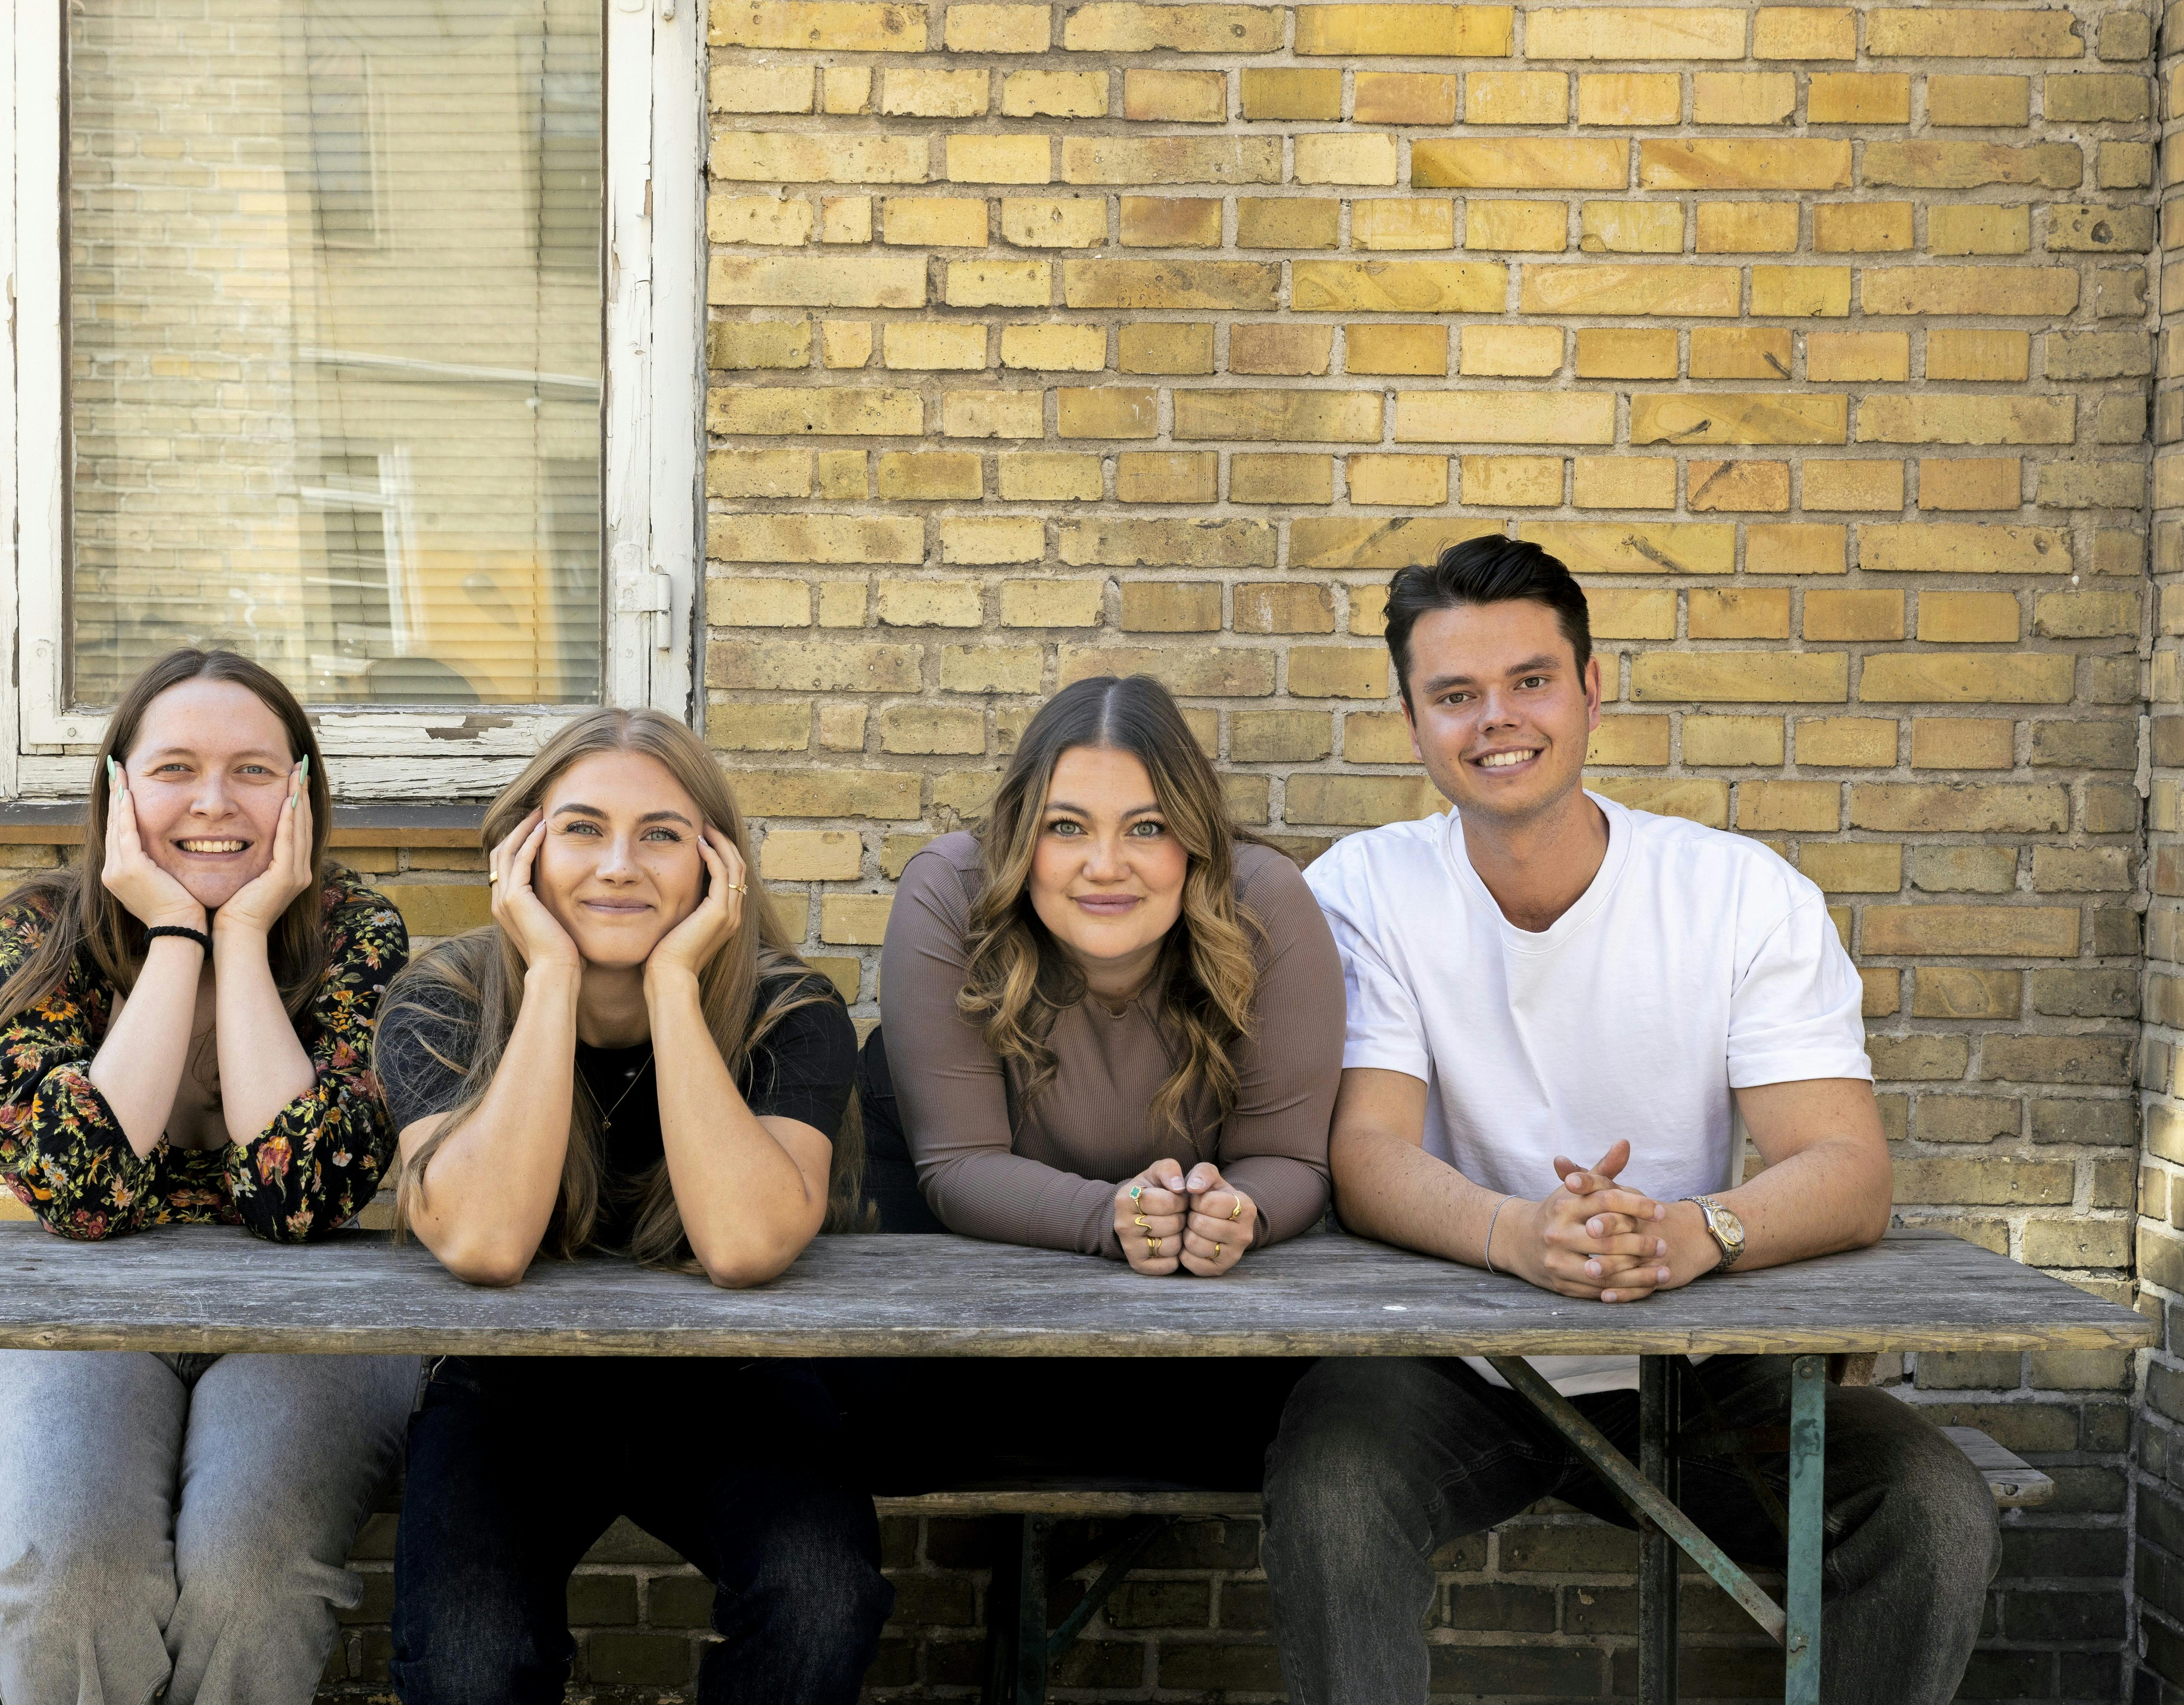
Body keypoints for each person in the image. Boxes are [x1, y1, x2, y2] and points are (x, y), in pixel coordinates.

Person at [1271, 535, 1997, 1702]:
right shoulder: (1361, 890)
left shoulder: (1739, 894)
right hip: (1452, 1361)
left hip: (1702, 1362)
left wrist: (1693, 1233)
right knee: (1333, 1494)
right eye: (1454, 696)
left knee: (1933, 1512)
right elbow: (1366, 1154)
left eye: (1530, 682)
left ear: (1593, 688)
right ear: (1412, 724)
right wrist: (1522, 1235)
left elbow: (1848, 1168)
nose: (1496, 720)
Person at [374, 706, 891, 1704]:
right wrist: (554, 976)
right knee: (469, 1662)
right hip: (508, 1389)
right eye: (581, 829)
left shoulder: (791, 1011)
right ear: (522, 851)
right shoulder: (440, 1002)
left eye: (662, 834)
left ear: (716, 866)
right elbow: (484, 1243)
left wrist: (673, 991)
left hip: (733, 1383)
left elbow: (744, 1246)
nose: (619, 864)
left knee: (823, 1602)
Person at [0, 647, 419, 1705]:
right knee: (75, 1579)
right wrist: (173, 931)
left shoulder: (358, 934)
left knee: (252, 1582)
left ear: (302, 791)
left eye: (254, 771)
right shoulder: (44, 936)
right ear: (117, 790)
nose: (215, 803)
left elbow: (298, 1199)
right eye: (174, 770)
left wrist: (244, 934)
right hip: (78, 1322)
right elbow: (81, 1196)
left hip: (309, 1332)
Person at [850, 672, 1343, 1490]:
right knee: (894, 1427)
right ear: (1021, 838)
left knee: (1273, 1428)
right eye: (1066, 827)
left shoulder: (1265, 903)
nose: (1105, 866)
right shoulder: (950, 891)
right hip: (967, 1260)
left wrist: (1235, 1212)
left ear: (1193, 839)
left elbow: (1291, 1159)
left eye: (1147, 826)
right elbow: (959, 1164)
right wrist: (1111, 1216)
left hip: (1181, 1284)